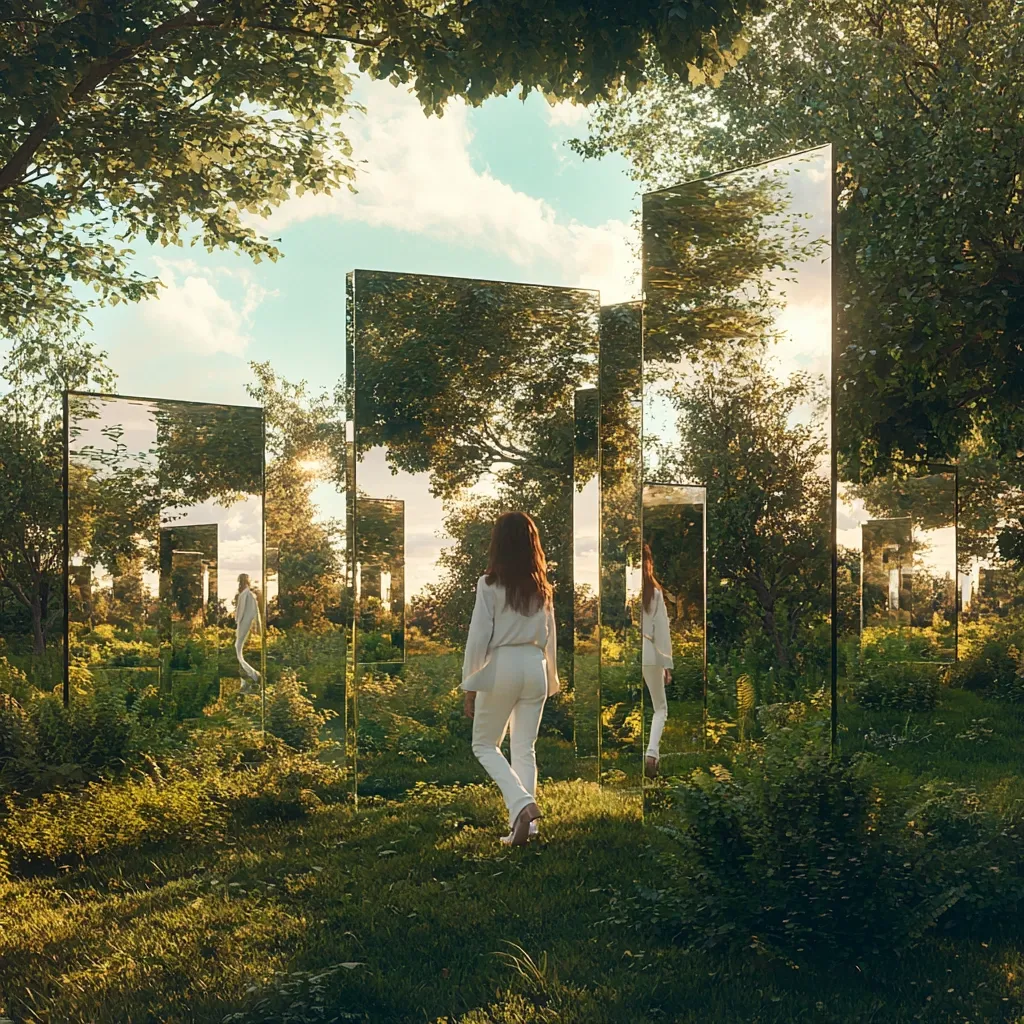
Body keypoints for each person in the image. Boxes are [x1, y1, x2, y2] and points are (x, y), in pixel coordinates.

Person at [462, 511, 558, 846]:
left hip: (503, 664)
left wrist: (471, 683)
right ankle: (526, 829)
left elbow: (478, 636)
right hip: (535, 665)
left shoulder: (489, 584)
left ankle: (522, 805)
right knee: (524, 747)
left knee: (484, 744)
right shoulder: (543, 587)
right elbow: (550, 635)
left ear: (498, 543)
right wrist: (552, 676)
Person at [641, 543, 674, 778]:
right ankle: (652, 753)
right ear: (649, 562)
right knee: (660, 708)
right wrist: (667, 664)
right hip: (650, 651)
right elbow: (662, 631)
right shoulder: (654, 592)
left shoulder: (629, 591)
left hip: (629, 651)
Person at [234, 573, 262, 695]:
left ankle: (254, 675)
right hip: (243, 623)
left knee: (238, 648)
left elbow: (248, 612)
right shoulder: (246, 594)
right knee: (238, 649)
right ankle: (247, 679)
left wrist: (253, 626)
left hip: (244, 623)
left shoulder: (248, 595)